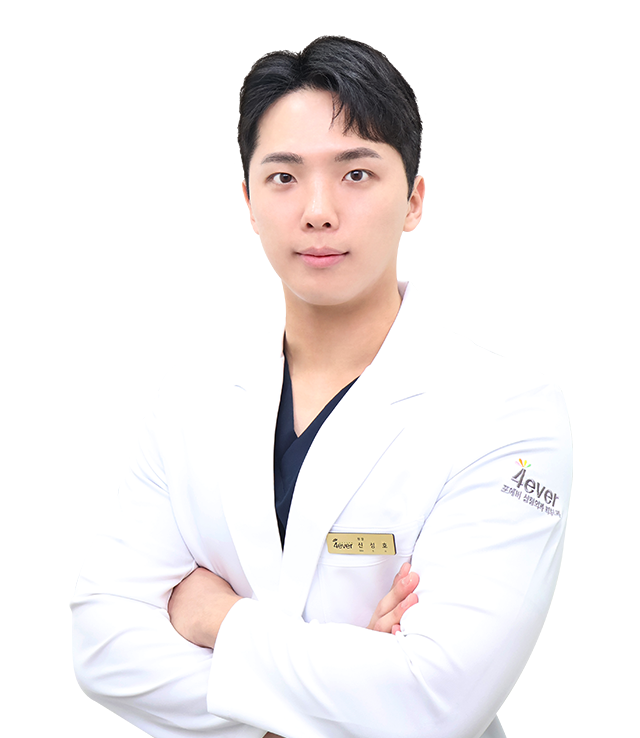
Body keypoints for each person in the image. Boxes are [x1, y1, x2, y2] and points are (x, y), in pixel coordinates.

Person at [71, 37, 572, 738]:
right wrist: (346, 695)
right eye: (283, 177)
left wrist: (216, 618)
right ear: (248, 202)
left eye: (356, 173)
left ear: (415, 201)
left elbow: (436, 701)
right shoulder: (192, 396)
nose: (317, 211)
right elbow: (98, 641)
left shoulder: (507, 416)